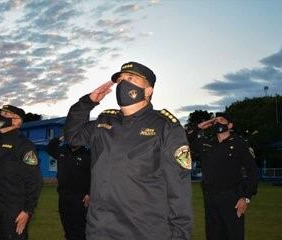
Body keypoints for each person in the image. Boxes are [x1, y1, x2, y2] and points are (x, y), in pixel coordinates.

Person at [63, 61, 193, 240]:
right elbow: (72, 136)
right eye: (121, 79)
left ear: (148, 91)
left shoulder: (166, 127)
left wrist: (179, 236)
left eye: (131, 78)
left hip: (144, 232)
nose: (123, 83)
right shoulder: (104, 122)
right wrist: (87, 102)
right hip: (99, 230)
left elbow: (179, 190)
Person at [0, 105, 43, 240]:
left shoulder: (24, 145)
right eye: (0, 113)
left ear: (17, 121)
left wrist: (28, 211)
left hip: (14, 210)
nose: (0, 116)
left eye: (6, 114)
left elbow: (35, 181)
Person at [187, 112, 258, 240]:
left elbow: (252, 171)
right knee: (213, 235)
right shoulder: (207, 144)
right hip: (210, 199)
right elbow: (185, 139)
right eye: (215, 121)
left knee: (233, 235)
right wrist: (199, 127)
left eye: (221, 120)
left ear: (230, 125)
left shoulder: (239, 144)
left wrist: (246, 197)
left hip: (232, 198)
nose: (217, 122)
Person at [46, 136, 91, 240]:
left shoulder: (88, 154)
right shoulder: (62, 150)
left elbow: (94, 175)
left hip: (79, 198)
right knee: (67, 226)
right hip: (63, 197)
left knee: (80, 229)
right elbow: (49, 148)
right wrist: (62, 136)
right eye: (72, 136)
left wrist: (90, 193)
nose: (73, 140)